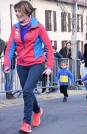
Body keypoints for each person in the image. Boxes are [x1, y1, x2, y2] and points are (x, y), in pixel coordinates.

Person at [4, 1, 54, 133]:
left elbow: (49, 47)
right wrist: (7, 63)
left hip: (37, 63)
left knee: (26, 90)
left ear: (27, 11)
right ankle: (37, 111)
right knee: (28, 91)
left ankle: (26, 123)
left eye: (19, 11)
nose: (17, 14)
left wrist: (49, 66)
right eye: (15, 11)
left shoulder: (38, 27)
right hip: (21, 64)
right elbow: (10, 47)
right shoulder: (15, 28)